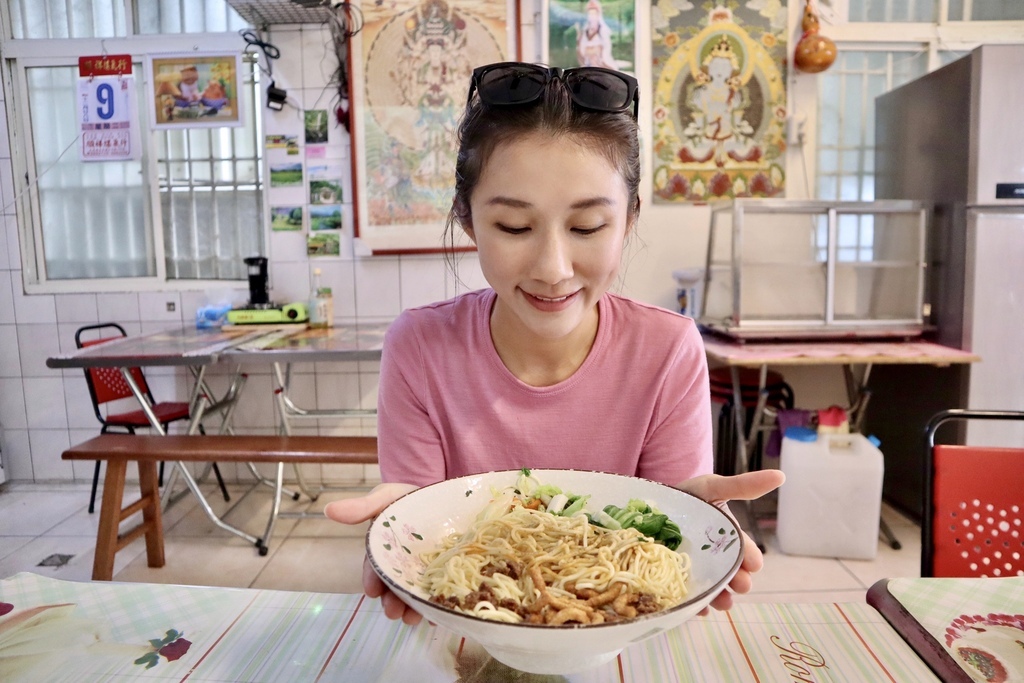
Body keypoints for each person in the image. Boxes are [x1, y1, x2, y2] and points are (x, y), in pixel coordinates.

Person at [325, 61, 784, 625]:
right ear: (467, 220)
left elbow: (663, 533)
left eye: (587, 226)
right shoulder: (421, 346)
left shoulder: (667, 348)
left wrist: (690, 515)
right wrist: (400, 528)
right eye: (515, 228)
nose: (552, 268)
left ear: (630, 220)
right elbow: (422, 525)